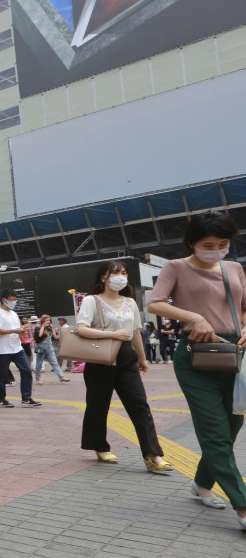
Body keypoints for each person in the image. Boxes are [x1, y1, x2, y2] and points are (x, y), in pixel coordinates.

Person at [147, 212, 246, 531]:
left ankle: (202, 484)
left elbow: (244, 307)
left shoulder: (234, 267)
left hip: (236, 352)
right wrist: (194, 318)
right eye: (208, 244)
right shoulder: (175, 267)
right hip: (195, 355)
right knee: (215, 431)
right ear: (192, 243)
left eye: (223, 243)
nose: (217, 249)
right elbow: (156, 303)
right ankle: (243, 505)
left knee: (231, 426)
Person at [76, 262, 173, 473]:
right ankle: (99, 447)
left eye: (124, 273)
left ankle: (153, 455)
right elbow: (81, 329)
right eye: (116, 273)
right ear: (103, 277)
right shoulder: (92, 301)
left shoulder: (129, 302)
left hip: (127, 357)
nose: (121, 276)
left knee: (140, 404)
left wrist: (142, 358)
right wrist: (113, 334)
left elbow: (135, 332)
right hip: (101, 358)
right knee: (98, 405)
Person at [0, 290, 41, 408]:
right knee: (3, 376)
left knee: (27, 370)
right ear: (4, 300)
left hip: (17, 348)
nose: (14, 302)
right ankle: (0, 399)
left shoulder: (14, 314)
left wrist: (21, 333)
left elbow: (16, 329)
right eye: (11, 299)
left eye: (15, 299)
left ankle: (26, 398)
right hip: (3, 350)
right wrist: (15, 331)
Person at [33, 314, 70, 385]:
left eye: (49, 320)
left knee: (54, 362)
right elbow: (39, 336)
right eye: (46, 320)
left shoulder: (49, 328)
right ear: (43, 320)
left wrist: (52, 328)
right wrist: (43, 326)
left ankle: (61, 376)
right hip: (41, 348)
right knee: (39, 364)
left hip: (49, 348)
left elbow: (55, 337)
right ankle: (38, 378)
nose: (48, 322)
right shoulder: (38, 328)